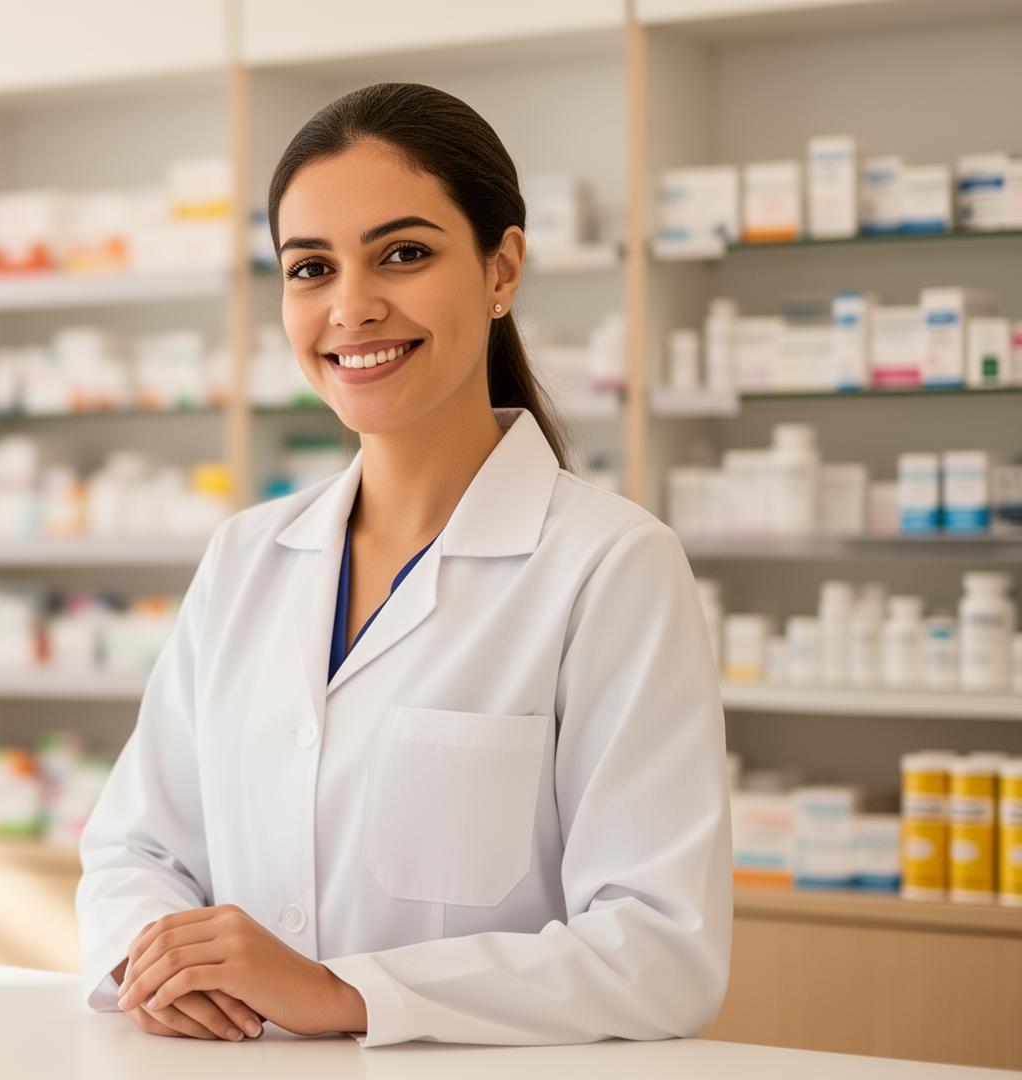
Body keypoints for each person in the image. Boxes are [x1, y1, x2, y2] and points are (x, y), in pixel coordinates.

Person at [74, 82, 730, 1048]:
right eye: (310, 268)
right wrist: (157, 958)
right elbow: (135, 846)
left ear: (502, 269)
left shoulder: (608, 566)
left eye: (405, 254)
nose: (351, 307)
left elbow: (660, 952)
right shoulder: (247, 557)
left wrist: (346, 994)